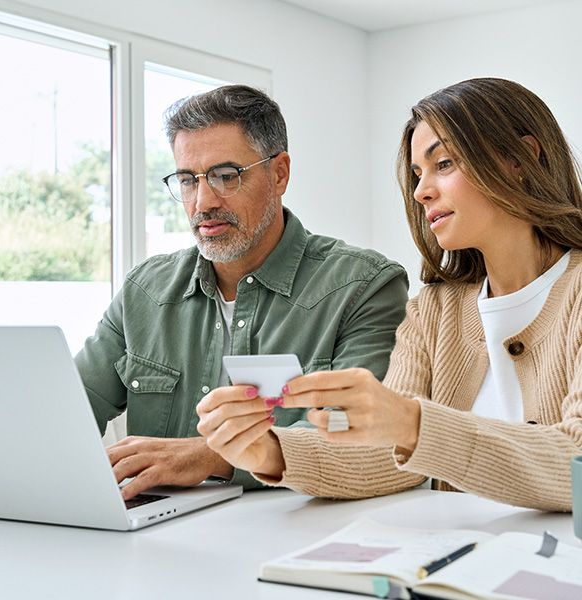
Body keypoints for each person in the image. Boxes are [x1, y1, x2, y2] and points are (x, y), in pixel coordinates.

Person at [197, 78, 582, 512]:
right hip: (454, 563)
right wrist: (270, 451)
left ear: (520, 159)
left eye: (444, 164)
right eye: (417, 174)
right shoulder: (434, 311)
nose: (421, 191)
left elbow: (576, 461)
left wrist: (412, 423)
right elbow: (388, 455)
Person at [75, 85, 409, 500]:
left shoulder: (364, 286)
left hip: (300, 535)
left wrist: (213, 455)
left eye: (225, 176)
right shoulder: (145, 290)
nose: (203, 202)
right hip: (156, 540)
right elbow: (65, 412)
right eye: (187, 180)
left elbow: (367, 436)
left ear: (280, 173)